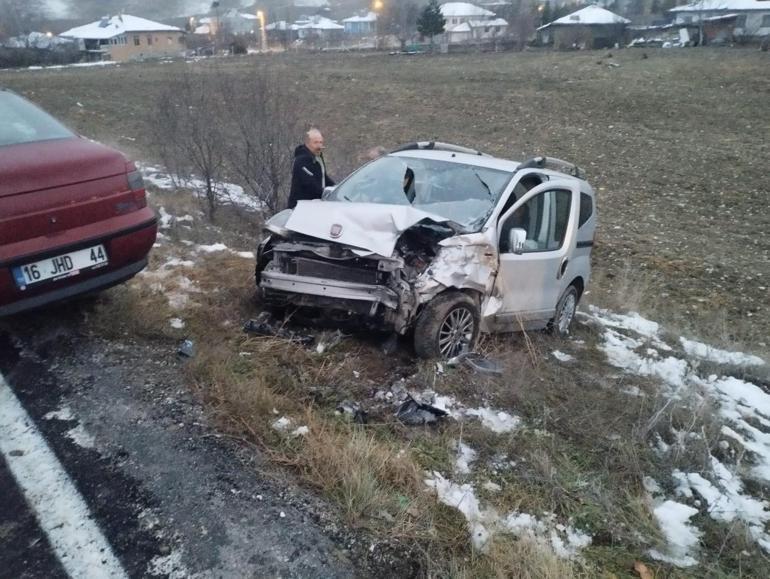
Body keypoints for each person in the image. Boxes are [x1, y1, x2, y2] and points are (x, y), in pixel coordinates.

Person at [287, 128, 335, 209]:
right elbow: (309, 183)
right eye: (315, 142)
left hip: (314, 205)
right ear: (307, 143)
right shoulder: (302, 160)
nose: (319, 146)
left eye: (321, 142)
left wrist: (337, 188)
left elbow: (323, 178)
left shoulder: (317, 157)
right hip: (300, 208)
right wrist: (326, 193)